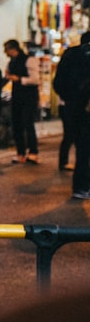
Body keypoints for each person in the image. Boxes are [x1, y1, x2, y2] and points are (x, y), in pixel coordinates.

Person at [52, 31, 90, 199]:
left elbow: (57, 83)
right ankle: (83, 186)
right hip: (84, 107)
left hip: (73, 107)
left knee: (81, 147)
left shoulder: (69, 55)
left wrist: (71, 99)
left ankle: (80, 187)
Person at [3, 39, 41, 164]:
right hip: (17, 96)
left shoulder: (29, 60)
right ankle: (21, 153)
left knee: (28, 123)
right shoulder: (11, 62)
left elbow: (35, 79)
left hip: (29, 97)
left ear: (13, 49)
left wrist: (19, 79)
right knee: (17, 124)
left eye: (6, 50)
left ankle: (33, 152)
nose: (5, 53)